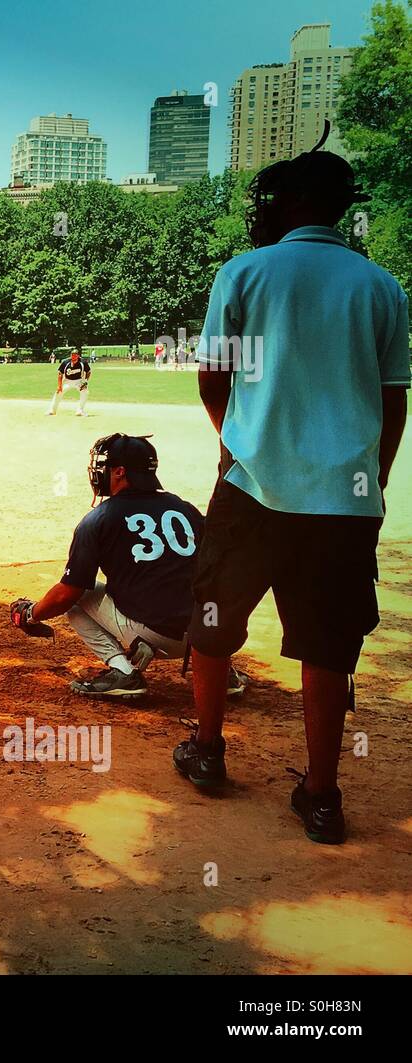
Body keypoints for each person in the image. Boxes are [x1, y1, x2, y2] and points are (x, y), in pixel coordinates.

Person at [177, 137, 408, 845]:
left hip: (251, 483)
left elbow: (213, 377)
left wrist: (231, 440)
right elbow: (393, 397)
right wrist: (375, 473)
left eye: (275, 197)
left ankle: (209, 753)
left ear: (298, 203)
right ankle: (322, 795)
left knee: (214, 621)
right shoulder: (379, 286)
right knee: (328, 646)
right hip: (343, 497)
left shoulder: (246, 272)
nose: (266, 208)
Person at [11, 435, 247, 701]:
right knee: (197, 590)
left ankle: (124, 673)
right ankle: (221, 672)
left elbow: (68, 593)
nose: (99, 472)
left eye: (104, 466)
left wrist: (31, 614)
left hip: (157, 634)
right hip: (207, 631)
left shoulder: (98, 519)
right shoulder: (185, 509)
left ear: (120, 472)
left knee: (77, 601)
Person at [47, 349, 90, 416]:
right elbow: (60, 374)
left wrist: (85, 382)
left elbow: (88, 372)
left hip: (79, 380)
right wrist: (59, 385)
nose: (73, 358)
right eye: (72, 356)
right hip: (67, 381)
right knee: (58, 392)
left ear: (78, 356)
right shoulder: (66, 362)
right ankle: (52, 410)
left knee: (85, 392)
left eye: (75, 356)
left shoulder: (83, 362)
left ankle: (80, 410)